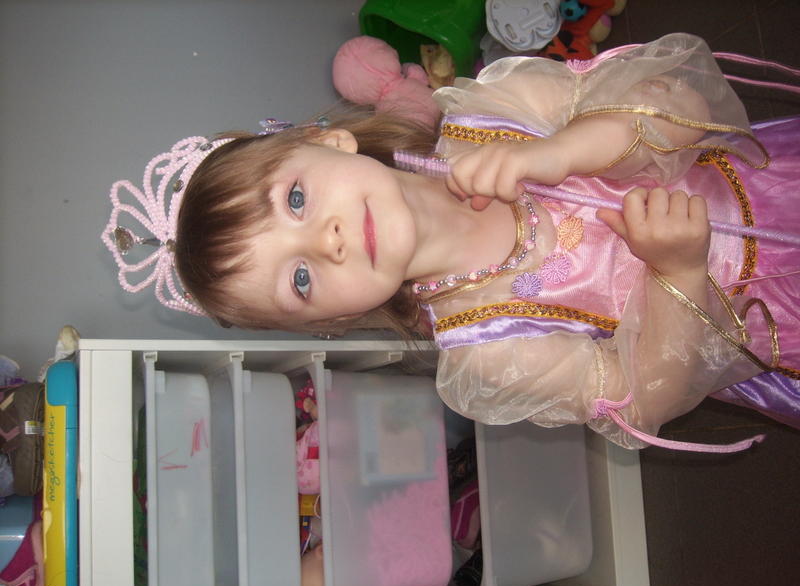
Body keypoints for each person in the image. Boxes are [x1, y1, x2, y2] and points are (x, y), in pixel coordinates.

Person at [104, 33, 799, 450]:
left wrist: (563, 151)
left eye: (296, 200)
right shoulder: (487, 354)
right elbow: (648, 398)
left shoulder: (489, 109)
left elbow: (684, 105)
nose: (329, 241)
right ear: (332, 320)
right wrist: (677, 273)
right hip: (772, 326)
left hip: (772, 186)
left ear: (328, 141)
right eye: (302, 279)